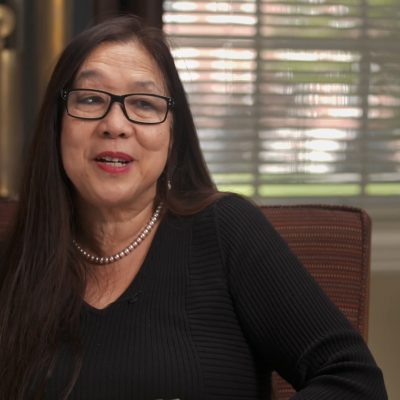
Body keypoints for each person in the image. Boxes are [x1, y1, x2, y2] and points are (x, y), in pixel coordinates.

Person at [0, 15, 387, 400]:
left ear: (173, 133)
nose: (115, 124)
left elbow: (353, 380)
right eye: (90, 99)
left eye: (144, 103)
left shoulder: (226, 232)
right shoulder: (14, 263)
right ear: (57, 124)